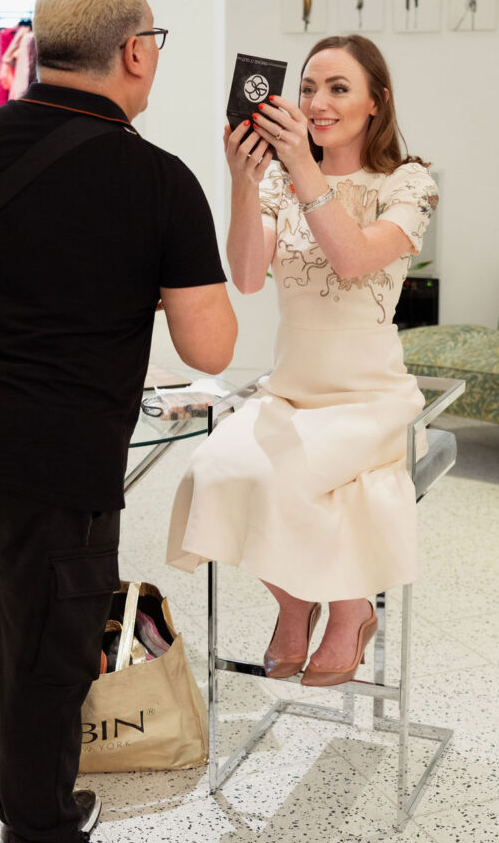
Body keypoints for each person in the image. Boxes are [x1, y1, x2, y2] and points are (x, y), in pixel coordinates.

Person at [0, 0, 236, 843]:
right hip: (50, 460)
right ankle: (40, 824)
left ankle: (19, 799)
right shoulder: (160, 182)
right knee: (51, 656)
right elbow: (211, 349)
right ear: (135, 51)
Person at [167, 35, 438, 688]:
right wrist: (242, 179)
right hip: (289, 391)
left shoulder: (407, 183)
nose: (318, 102)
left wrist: (301, 170)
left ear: (377, 102)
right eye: (309, 87)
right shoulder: (278, 184)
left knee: (285, 479)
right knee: (215, 468)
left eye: (339, 88)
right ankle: (294, 602)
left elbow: (351, 258)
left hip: (369, 394)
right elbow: (246, 273)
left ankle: (346, 610)